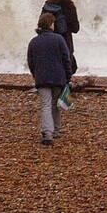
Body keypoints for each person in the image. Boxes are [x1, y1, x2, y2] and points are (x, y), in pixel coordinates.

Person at [26, 12, 74, 145]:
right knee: (56, 104)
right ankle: (56, 130)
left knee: (46, 105)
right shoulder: (59, 39)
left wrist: (35, 75)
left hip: (41, 78)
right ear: (50, 24)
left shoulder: (34, 42)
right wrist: (68, 76)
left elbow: (31, 62)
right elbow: (66, 59)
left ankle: (47, 133)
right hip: (58, 78)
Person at [41, 0, 80, 74]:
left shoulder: (47, 5)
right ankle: (64, 84)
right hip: (65, 40)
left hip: (48, 40)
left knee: (52, 64)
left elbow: (41, 23)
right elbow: (75, 29)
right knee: (69, 65)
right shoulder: (69, 6)